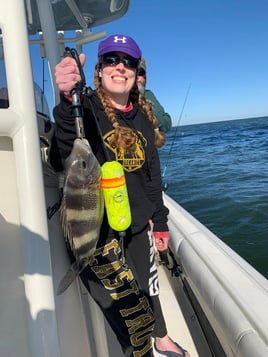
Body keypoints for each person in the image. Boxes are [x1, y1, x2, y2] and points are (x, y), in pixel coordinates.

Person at [50, 34, 189, 357]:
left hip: (139, 225)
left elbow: (152, 177)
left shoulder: (142, 116)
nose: (120, 67)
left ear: (136, 71)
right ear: (98, 70)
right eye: (111, 59)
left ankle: (163, 336)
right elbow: (61, 157)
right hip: (99, 235)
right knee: (128, 313)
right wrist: (67, 99)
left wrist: (161, 222)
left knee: (149, 288)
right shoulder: (83, 107)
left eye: (128, 61)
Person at [137, 58, 172, 134]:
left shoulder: (149, 95)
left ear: (145, 76)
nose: (137, 77)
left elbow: (167, 124)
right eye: (134, 72)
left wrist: (150, 113)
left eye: (140, 72)